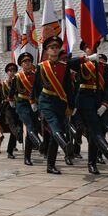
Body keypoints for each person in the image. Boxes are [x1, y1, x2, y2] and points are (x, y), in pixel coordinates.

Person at [68, 41, 108, 175]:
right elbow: (67, 64)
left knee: (95, 133)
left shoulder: (104, 66)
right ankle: (107, 153)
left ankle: (93, 162)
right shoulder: (81, 63)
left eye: (94, 45)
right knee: (94, 129)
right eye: (89, 46)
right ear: (85, 49)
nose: (92, 48)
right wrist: (85, 59)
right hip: (84, 101)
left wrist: (105, 103)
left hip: (99, 100)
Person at [30, 35, 75, 174]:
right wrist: (33, 101)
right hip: (46, 101)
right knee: (55, 125)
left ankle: (50, 165)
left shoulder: (64, 66)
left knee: (55, 135)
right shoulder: (42, 67)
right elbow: (36, 86)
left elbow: (68, 87)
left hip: (60, 102)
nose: (54, 50)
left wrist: (71, 106)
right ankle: (66, 145)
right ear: (47, 51)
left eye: (56, 47)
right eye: (51, 47)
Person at [10, 52, 44, 167]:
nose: (27, 63)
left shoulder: (35, 75)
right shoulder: (18, 76)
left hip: (33, 104)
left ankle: (27, 157)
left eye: (29, 61)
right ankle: (39, 144)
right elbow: (12, 91)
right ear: (21, 64)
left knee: (32, 128)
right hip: (22, 104)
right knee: (29, 125)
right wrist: (10, 100)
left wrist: (38, 102)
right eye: (25, 62)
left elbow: (39, 90)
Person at [0, 62, 22, 159]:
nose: (12, 72)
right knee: (12, 125)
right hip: (8, 107)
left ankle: (10, 150)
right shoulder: (4, 84)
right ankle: (19, 136)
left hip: (18, 106)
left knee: (16, 128)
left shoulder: (18, 81)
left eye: (14, 71)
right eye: (10, 71)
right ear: (7, 72)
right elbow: (1, 96)